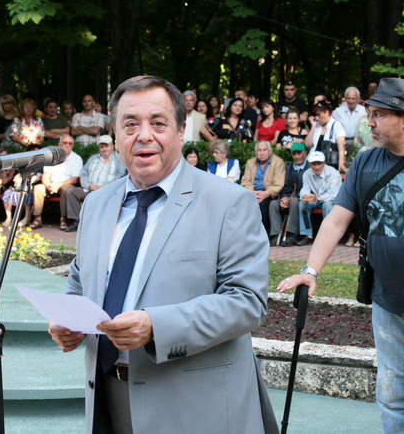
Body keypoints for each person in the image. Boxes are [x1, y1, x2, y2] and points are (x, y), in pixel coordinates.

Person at [47, 75, 278, 434]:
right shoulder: (95, 204)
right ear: (115, 134)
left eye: (158, 123)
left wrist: (157, 326)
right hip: (107, 397)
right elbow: (80, 280)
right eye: (130, 124)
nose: (144, 135)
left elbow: (247, 302)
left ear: (181, 130)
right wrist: (68, 318)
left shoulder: (229, 202)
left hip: (194, 407)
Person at [278, 77, 404, 433]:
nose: (368, 122)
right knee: (393, 399)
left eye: (378, 115)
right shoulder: (365, 162)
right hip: (387, 303)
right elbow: (336, 221)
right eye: (369, 114)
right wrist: (311, 270)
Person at [59, 135, 126, 232]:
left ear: (112, 146)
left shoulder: (119, 159)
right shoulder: (93, 158)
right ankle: (76, 222)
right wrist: (88, 186)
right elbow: (83, 173)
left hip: (108, 191)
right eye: (101, 147)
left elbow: (121, 177)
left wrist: (106, 187)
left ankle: (99, 225)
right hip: (90, 190)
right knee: (70, 191)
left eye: (106, 146)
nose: (104, 149)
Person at [30, 134, 83, 230]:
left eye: (70, 143)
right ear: (59, 144)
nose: (67, 145)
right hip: (51, 184)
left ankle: (63, 219)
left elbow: (75, 179)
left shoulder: (77, 159)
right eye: (65, 142)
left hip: (66, 184)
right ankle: (37, 218)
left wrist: (59, 184)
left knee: (67, 190)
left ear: (73, 146)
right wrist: (48, 185)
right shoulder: (53, 157)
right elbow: (46, 175)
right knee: (38, 188)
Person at [241, 140, 286, 241]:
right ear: (255, 152)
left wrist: (266, 193)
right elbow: (245, 181)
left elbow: (279, 183)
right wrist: (252, 192)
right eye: (259, 150)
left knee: (262, 205)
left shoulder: (278, 162)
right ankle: (245, 237)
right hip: (252, 193)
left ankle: (262, 236)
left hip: (269, 194)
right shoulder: (250, 162)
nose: (262, 153)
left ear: (270, 151)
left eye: (264, 150)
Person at [295, 151, 342, 246]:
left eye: (319, 163)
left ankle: (329, 235)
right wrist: (305, 197)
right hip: (316, 200)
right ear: (310, 164)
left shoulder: (333, 173)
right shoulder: (307, 174)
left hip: (330, 200)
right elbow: (305, 189)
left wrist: (317, 197)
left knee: (327, 205)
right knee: (302, 204)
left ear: (324, 163)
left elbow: (334, 195)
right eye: (314, 164)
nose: (316, 167)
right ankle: (307, 235)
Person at [268, 142, 308, 246]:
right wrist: (284, 199)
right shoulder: (288, 168)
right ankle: (276, 235)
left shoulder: (309, 168)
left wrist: (292, 198)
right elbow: (284, 186)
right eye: (294, 154)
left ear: (304, 153)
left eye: (299, 153)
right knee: (273, 204)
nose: (297, 156)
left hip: (302, 198)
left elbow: (308, 188)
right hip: (288, 197)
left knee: (294, 202)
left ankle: (292, 235)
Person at [305, 101, 347, 173]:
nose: (317, 118)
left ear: (327, 112)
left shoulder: (336, 125)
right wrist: (313, 127)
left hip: (328, 163)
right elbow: (308, 145)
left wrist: (341, 163)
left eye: (319, 115)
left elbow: (341, 145)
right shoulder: (316, 125)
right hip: (313, 162)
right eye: (315, 115)